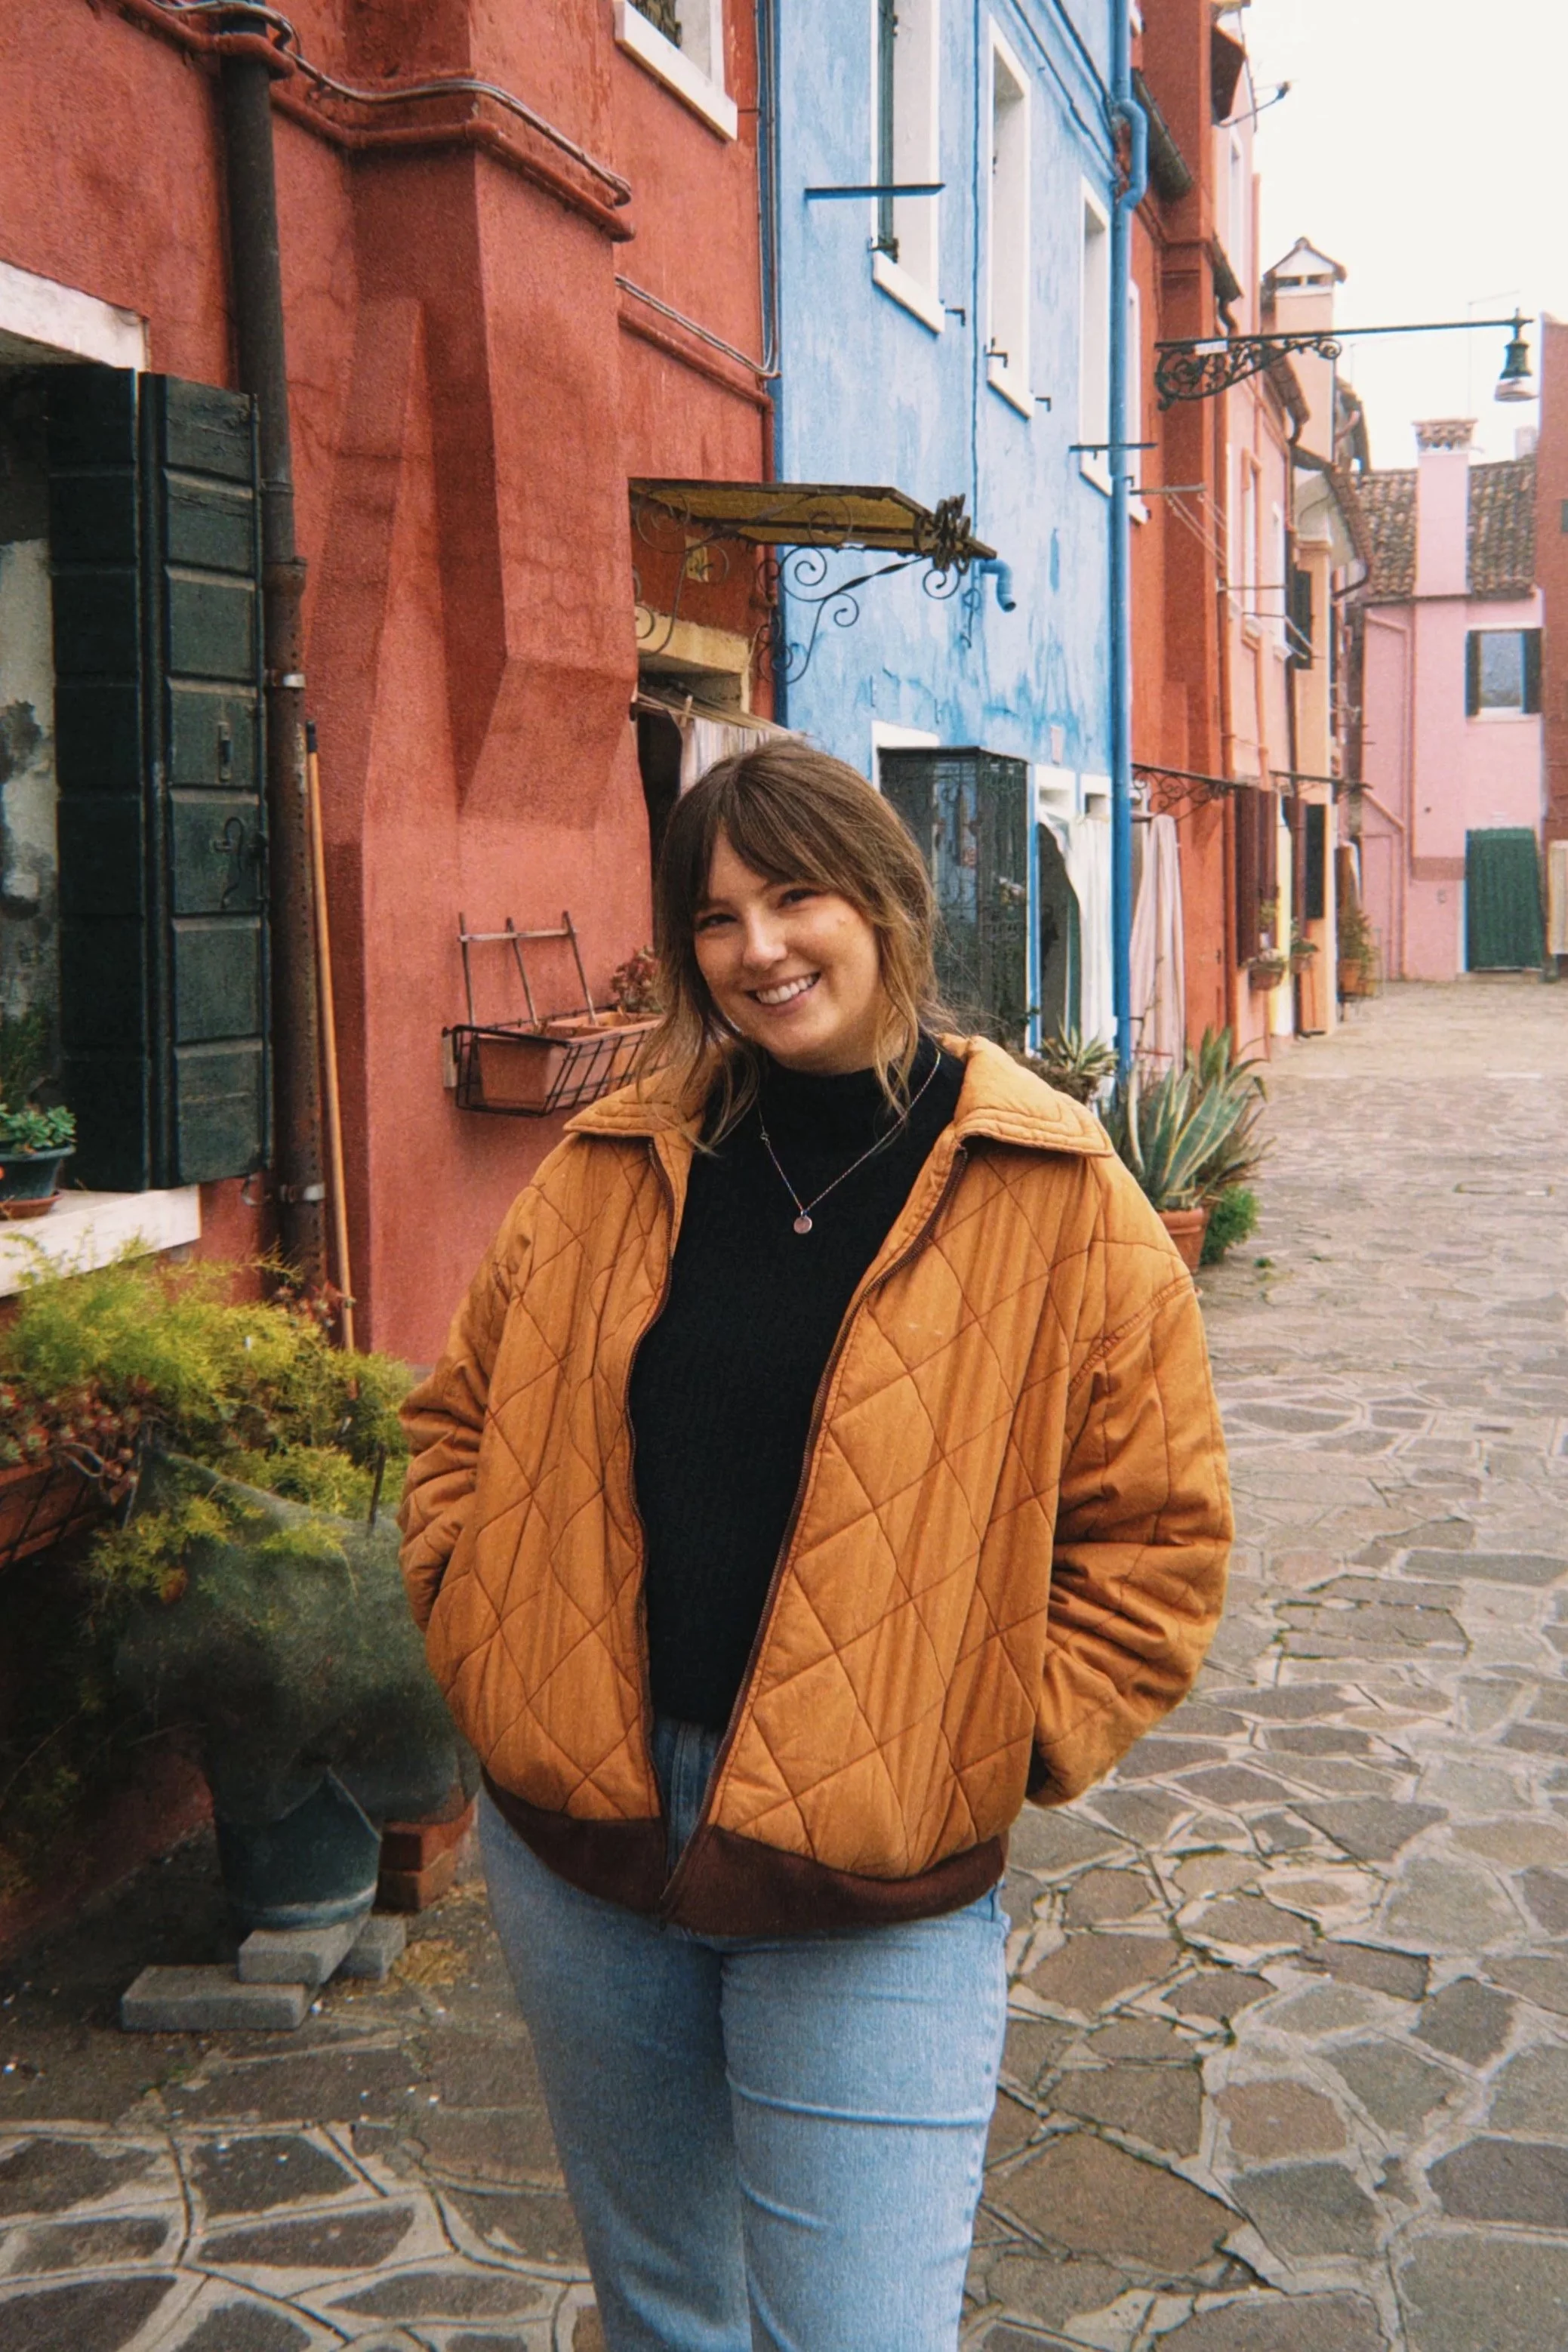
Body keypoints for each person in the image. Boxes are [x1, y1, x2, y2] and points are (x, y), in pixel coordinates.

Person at [399, 741, 1231, 2352]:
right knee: (665, 2316)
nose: (759, 948)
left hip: (872, 1887)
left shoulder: (1059, 1192)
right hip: (584, 1849)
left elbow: (1158, 1539)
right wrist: (482, 1635)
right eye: (716, 917)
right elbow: (459, 1423)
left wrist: (976, 1744)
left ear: (886, 900)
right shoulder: (608, 1168)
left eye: (795, 897)